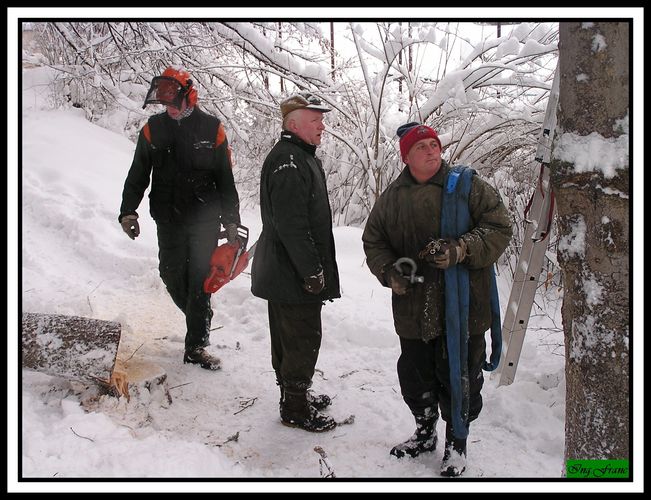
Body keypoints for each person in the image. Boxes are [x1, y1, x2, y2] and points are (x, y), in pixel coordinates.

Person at [362, 122, 512, 476]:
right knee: (416, 376)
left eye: (434, 144)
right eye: (422, 147)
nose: (432, 151)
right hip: (414, 307)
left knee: (460, 378)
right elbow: (374, 241)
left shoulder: (466, 186)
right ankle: (425, 432)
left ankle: (456, 445)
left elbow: (500, 226)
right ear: (407, 157)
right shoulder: (393, 197)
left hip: (462, 307)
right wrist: (389, 272)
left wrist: (462, 249)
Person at [119, 66, 241, 371]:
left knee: (201, 280)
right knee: (170, 274)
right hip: (168, 217)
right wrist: (127, 211)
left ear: (189, 97)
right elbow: (138, 174)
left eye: (173, 101)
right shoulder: (153, 129)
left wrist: (231, 221)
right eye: (164, 102)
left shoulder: (213, 129)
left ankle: (196, 346)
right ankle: (198, 316)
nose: (168, 108)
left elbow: (226, 180)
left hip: (205, 220)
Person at [251, 92, 341, 433]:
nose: (322, 125)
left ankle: (294, 395)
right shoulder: (289, 160)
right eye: (315, 119)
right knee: (301, 337)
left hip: (286, 269)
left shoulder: (298, 156)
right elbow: (292, 224)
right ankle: (295, 406)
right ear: (293, 124)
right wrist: (312, 271)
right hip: (292, 272)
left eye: (322, 119)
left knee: (291, 336)